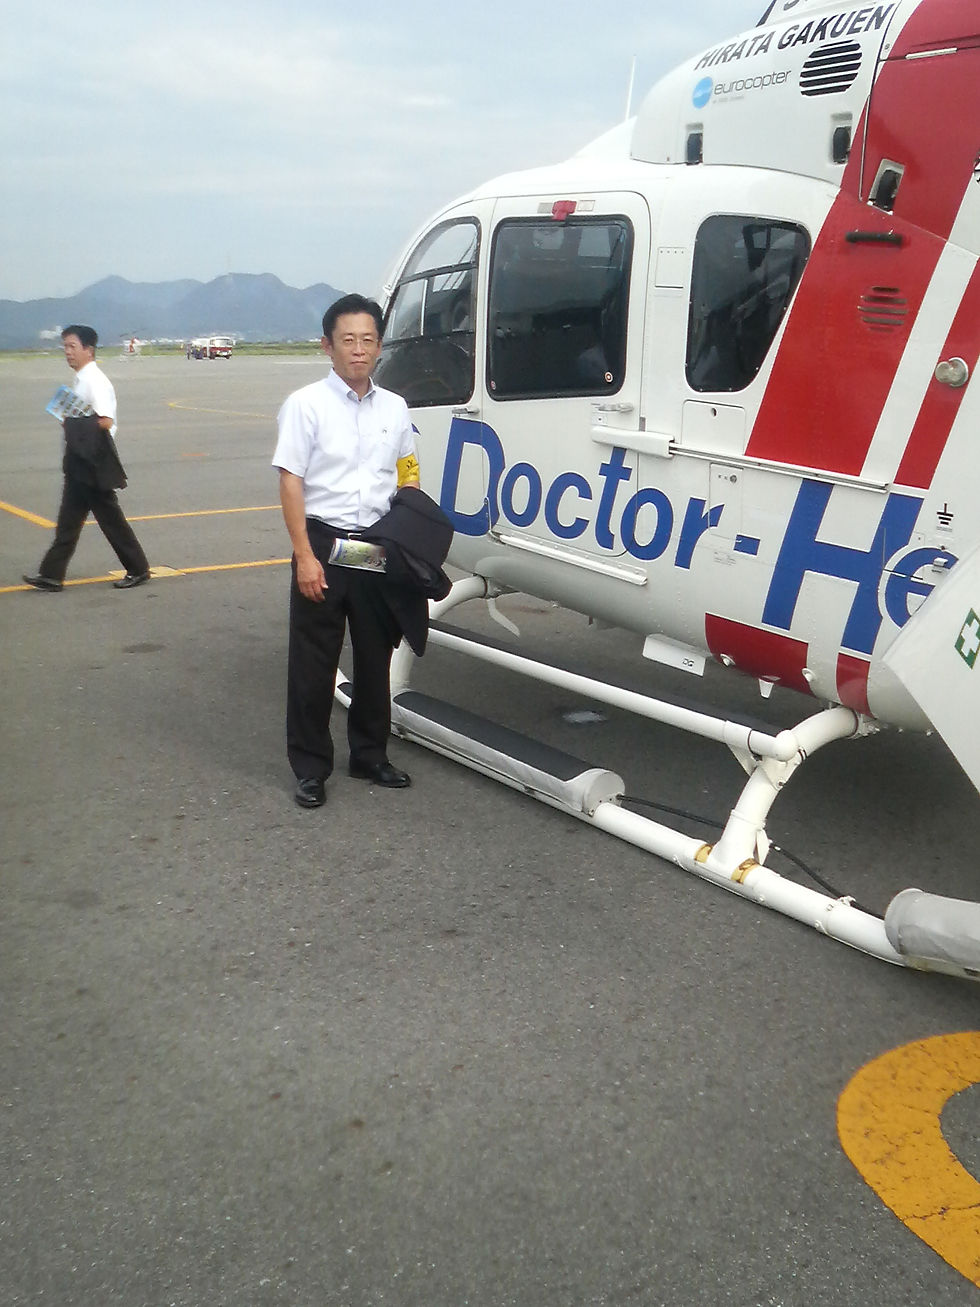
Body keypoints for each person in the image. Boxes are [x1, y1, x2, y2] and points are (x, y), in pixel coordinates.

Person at [272, 293, 421, 809]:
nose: (359, 350)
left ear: (380, 346)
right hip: (323, 542)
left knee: (376, 657)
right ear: (327, 346)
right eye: (348, 340)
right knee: (313, 663)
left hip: (376, 545)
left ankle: (369, 755)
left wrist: (407, 534)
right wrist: (303, 556)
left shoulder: (395, 408)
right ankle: (311, 768)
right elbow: (290, 481)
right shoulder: (305, 405)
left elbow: (407, 473)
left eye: (368, 340)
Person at [24, 325, 150, 593]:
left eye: (72, 346)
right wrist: (71, 422)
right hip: (80, 458)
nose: (67, 352)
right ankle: (51, 575)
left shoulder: (95, 380)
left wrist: (71, 424)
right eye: (65, 346)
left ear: (88, 350)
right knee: (68, 521)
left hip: (94, 459)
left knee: (110, 520)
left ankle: (138, 568)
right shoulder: (81, 378)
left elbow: (105, 421)